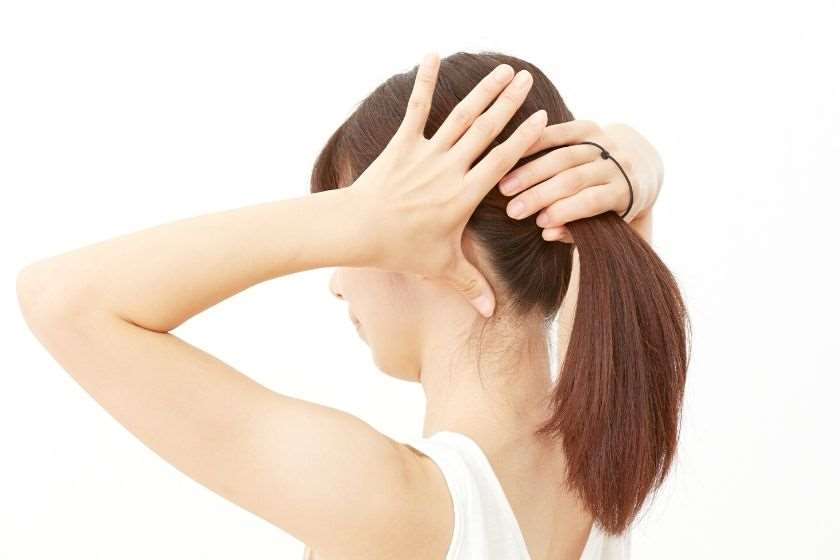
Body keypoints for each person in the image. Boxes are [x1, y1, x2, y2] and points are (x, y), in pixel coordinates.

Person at [17, 50, 689, 560]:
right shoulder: (607, 460)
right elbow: (614, 209)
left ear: (433, 239)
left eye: (359, 233)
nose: (338, 282)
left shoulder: (394, 505)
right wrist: (637, 168)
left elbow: (63, 298)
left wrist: (361, 218)